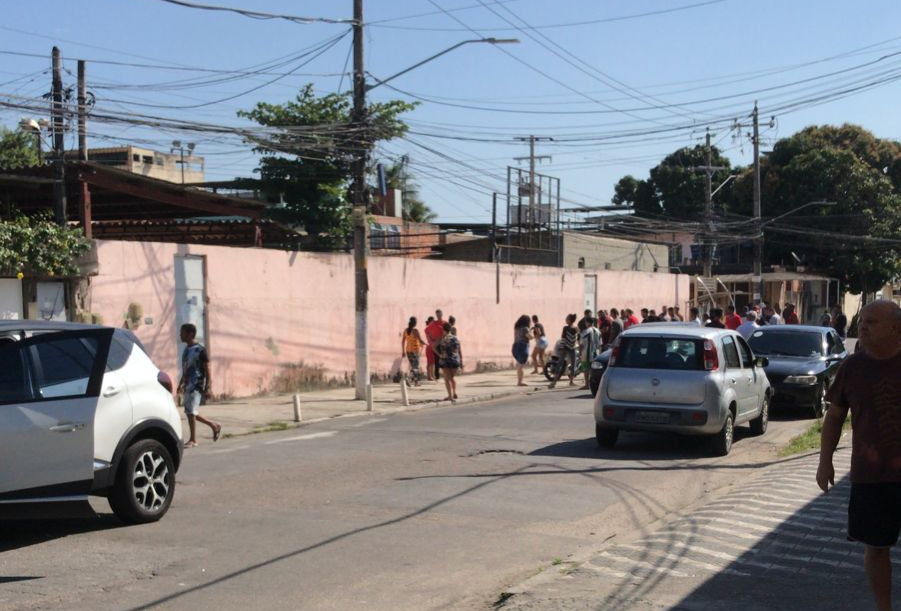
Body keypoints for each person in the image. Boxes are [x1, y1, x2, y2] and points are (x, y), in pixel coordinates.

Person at [817, 301, 901, 611]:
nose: (862, 327)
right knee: (876, 548)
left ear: (896, 328)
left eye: (872, 322)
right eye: (861, 320)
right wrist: (825, 461)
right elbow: (835, 418)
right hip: (871, 477)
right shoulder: (852, 368)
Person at [177, 323, 221, 448]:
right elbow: (186, 369)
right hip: (187, 384)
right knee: (190, 412)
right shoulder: (186, 350)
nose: (180, 335)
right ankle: (213, 425)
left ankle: (193, 439)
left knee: (191, 411)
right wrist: (180, 384)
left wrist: (208, 387)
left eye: (183, 332)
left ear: (190, 334)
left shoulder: (200, 350)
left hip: (196, 384)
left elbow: (207, 369)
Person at [549, 313, 578, 389]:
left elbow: (563, 339)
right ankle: (571, 381)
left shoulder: (566, 328)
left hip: (565, 348)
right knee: (573, 365)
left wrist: (562, 348)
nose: (565, 320)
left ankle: (554, 381)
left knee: (560, 364)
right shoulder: (575, 328)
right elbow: (577, 338)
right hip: (573, 348)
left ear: (569, 320)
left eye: (567, 318)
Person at [436, 322, 463, 402]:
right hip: (455, 360)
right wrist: (461, 361)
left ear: (443, 330)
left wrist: (439, 355)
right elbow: (459, 351)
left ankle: (450, 396)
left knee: (447, 379)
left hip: (446, 360)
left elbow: (440, 349)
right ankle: (454, 393)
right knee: (452, 378)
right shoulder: (456, 338)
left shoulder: (444, 339)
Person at [401, 316, 426, 386]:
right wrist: (425, 343)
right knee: (416, 367)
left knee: (413, 366)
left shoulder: (406, 330)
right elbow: (420, 340)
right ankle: (408, 378)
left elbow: (403, 341)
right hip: (415, 351)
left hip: (408, 350)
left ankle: (416, 382)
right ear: (415, 323)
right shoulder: (415, 331)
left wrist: (403, 351)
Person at [579, 317, 602, 390]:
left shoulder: (586, 332)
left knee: (586, 369)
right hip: (596, 352)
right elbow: (600, 344)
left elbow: (582, 344)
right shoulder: (598, 331)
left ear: (587, 322)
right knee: (594, 369)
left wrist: (580, 352)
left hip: (587, 353)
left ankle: (587, 384)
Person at [425, 310, 445, 381]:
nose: (438, 316)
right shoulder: (434, 323)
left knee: (435, 361)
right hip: (434, 346)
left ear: (442, 314)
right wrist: (431, 341)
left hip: (442, 344)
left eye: (439, 314)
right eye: (437, 315)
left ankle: (434, 375)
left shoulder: (444, 323)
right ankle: (433, 376)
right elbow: (426, 330)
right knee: (433, 361)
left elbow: (448, 331)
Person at [512, 314, 531, 386]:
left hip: (515, 346)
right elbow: (529, 337)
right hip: (523, 346)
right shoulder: (525, 328)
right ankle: (520, 382)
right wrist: (533, 334)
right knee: (521, 366)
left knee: (519, 365)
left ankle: (519, 381)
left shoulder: (516, 327)